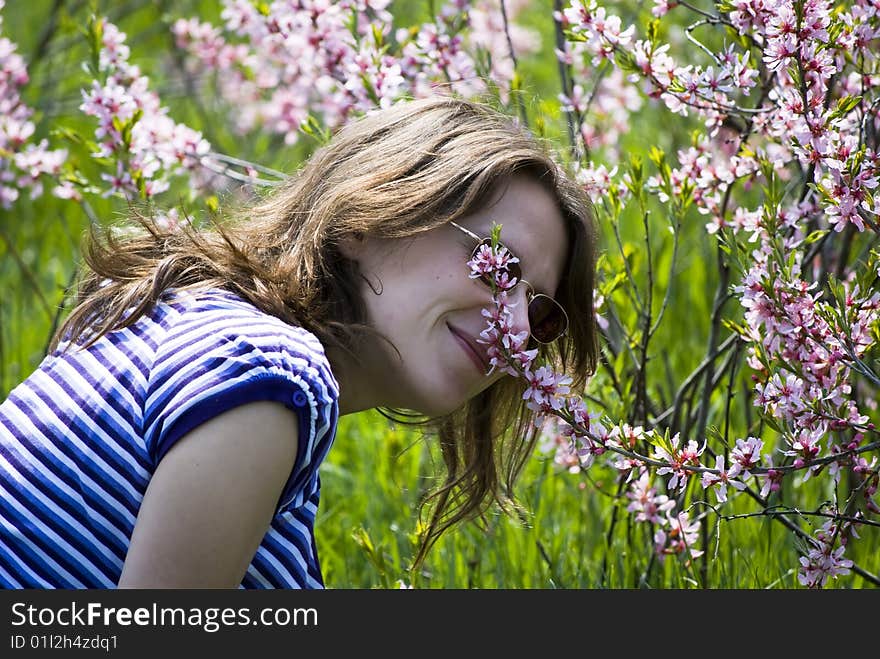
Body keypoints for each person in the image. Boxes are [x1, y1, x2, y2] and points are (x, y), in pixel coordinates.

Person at [0, 95, 598, 588]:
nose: (515, 331)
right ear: (370, 216)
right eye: (498, 266)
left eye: (540, 315)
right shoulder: (269, 374)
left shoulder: (194, 323)